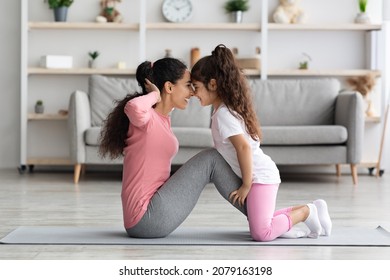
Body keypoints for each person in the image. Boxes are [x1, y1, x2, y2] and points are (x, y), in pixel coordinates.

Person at [191, 44, 332, 241]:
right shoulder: (224, 110)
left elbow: (243, 147)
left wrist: (246, 185)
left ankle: (306, 212)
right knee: (263, 221)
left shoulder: (223, 114)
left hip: (260, 177)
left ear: (213, 84)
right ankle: (313, 208)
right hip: (262, 175)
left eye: (195, 87)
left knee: (261, 233)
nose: (192, 93)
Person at [99, 57, 246, 238]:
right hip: (146, 218)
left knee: (212, 158)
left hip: (149, 214)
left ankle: (259, 212)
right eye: (187, 85)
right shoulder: (145, 119)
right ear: (169, 87)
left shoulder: (163, 119)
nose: (192, 93)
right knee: (211, 159)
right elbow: (133, 107)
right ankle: (258, 214)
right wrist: (154, 94)